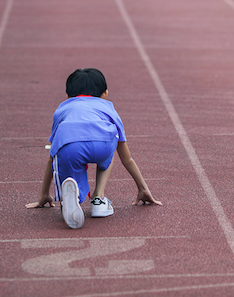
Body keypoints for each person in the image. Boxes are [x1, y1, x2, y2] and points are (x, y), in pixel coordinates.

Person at [26, 68, 161, 228]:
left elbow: (52, 157)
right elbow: (127, 158)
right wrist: (143, 189)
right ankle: (98, 198)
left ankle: (68, 201)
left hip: (71, 146)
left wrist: (44, 194)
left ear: (68, 95)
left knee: (64, 159)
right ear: (105, 94)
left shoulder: (62, 109)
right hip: (102, 146)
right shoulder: (109, 109)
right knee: (112, 145)